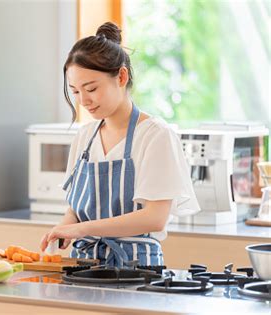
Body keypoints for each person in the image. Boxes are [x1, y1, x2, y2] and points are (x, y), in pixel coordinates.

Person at [39, 22, 200, 267]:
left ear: (122, 77)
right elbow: (75, 209)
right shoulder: (85, 137)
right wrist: (63, 228)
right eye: (75, 92)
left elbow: (155, 217)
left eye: (91, 88)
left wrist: (81, 230)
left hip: (137, 269)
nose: (84, 101)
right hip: (83, 266)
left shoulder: (155, 135)